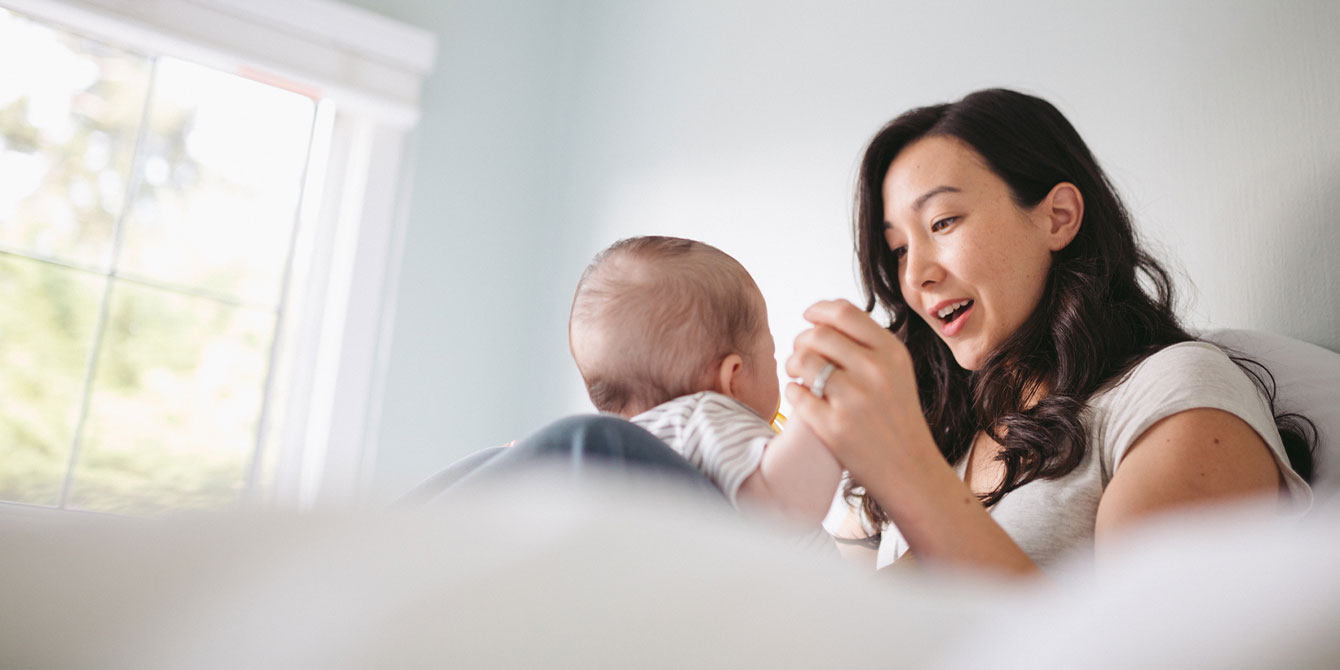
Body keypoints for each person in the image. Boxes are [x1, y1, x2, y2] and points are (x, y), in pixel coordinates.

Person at [783, 88, 1314, 576]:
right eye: (899, 248)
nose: (916, 274)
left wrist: (908, 470)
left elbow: (1149, 646)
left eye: (942, 222)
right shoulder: (950, 439)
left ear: (1058, 217)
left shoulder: (1171, 390)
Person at [567, 235, 841, 529]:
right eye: (771, 355)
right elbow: (788, 501)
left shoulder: (616, 465)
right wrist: (823, 396)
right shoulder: (703, 417)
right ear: (731, 378)